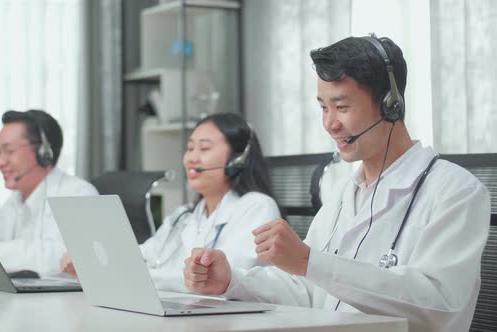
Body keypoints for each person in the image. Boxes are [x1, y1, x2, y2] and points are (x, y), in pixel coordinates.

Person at [183, 35, 490, 332]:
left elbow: (440, 305)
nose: (330, 124)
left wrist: (308, 261)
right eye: (323, 107)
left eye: (342, 107)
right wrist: (231, 281)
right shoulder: (345, 194)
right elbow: (308, 290)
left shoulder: (455, 191)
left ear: (390, 105)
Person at [61, 112, 282, 293]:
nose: (191, 158)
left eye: (204, 148)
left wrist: (130, 277)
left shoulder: (256, 207)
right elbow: (144, 254)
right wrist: (92, 261)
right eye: (189, 148)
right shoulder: (184, 215)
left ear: (237, 159)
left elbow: (223, 279)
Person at [0, 110, 98, 275]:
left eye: (9, 150)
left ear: (44, 152)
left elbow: (57, 258)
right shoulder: (15, 201)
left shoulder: (78, 194)